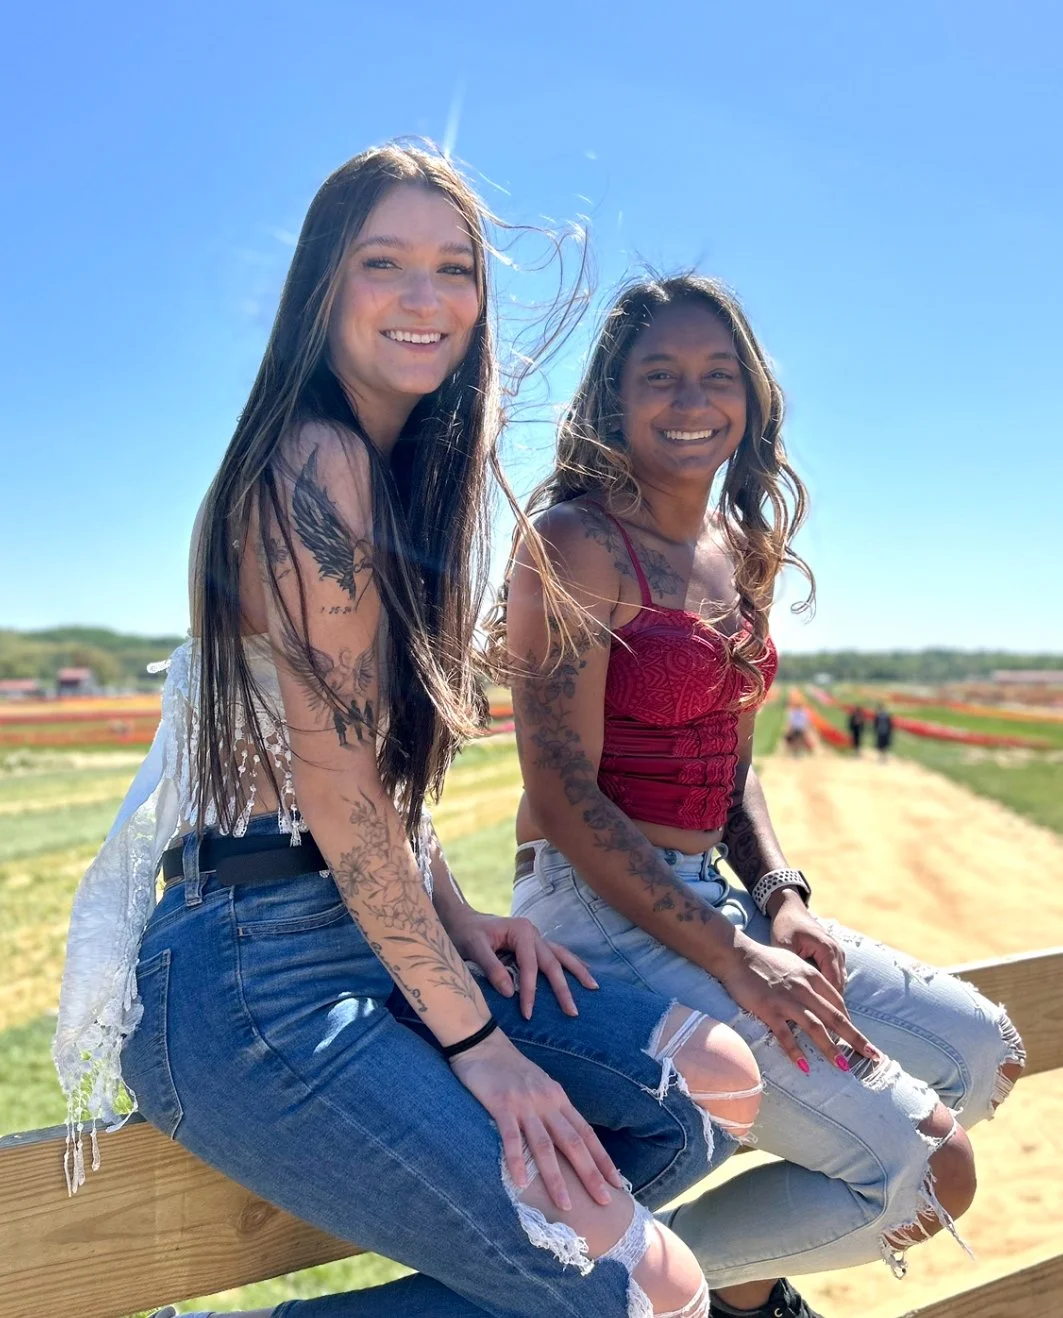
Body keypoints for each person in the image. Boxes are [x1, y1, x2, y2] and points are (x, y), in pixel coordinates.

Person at [54, 152, 768, 1318]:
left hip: (360, 930)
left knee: (710, 1086)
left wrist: (456, 914)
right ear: (322, 287)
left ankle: (527, 1267)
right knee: (647, 1294)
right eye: (382, 264)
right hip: (252, 973)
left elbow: (374, 779)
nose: (424, 298)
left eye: (454, 269)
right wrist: (481, 1047)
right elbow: (333, 804)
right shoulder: (314, 459)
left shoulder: (404, 479)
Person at [498, 273, 1025, 1318]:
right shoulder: (575, 541)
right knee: (932, 1169)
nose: (691, 400)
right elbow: (560, 794)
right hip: (594, 907)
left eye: (716, 375)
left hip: (716, 899)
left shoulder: (739, 551)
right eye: (660, 376)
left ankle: (685, 1283)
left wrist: (779, 896)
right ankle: (639, 1289)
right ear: (613, 397)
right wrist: (739, 956)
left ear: (752, 397)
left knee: (981, 1052)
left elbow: (730, 759)